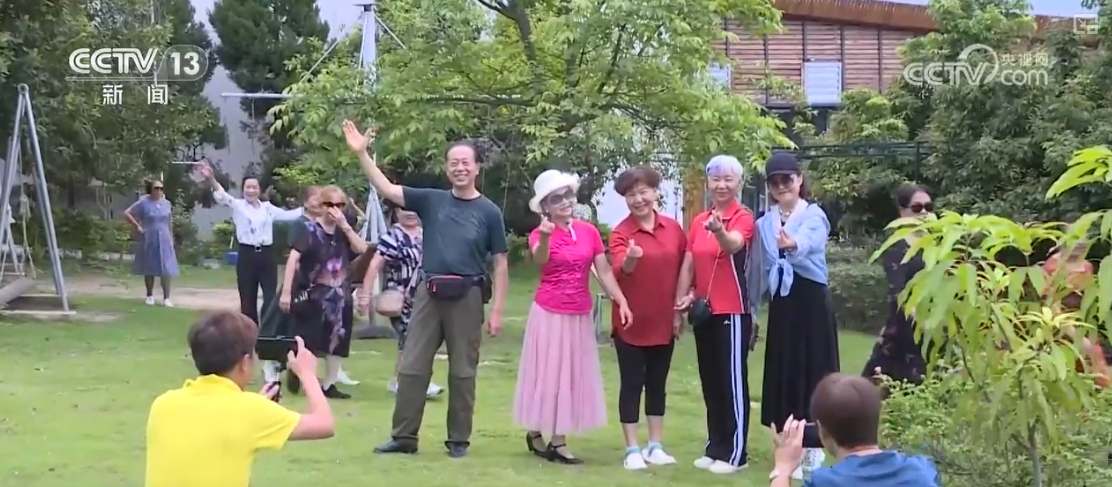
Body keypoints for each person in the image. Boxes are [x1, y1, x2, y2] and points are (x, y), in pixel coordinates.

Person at [341, 120, 509, 458]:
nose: (460, 168)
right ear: (446, 169)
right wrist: (361, 154)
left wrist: (497, 311)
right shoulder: (432, 200)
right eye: (453, 163)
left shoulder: (489, 212)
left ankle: (458, 440)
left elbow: (500, 263)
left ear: (477, 168)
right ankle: (404, 437)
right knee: (413, 366)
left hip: (468, 294)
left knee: (462, 371)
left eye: (466, 162)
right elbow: (388, 190)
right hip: (428, 292)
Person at [514, 169, 633, 464]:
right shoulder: (539, 234)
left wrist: (620, 300)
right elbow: (541, 260)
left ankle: (553, 437)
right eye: (557, 199)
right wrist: (544, 237)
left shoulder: (588, 232)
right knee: (549, 374)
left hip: (579, 312)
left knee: (570, 376)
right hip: (549, 312)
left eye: (568, 195)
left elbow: (603, 271)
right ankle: (548, 437)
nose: (565, 202)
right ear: (545, 206)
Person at [144, 311, 335, 487]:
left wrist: (255, 407)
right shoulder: (251, 410)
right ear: (244, 363)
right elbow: (324, 423)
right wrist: (307, 373)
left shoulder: (163, 404)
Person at [749, 152, 840, 479]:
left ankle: (814, 443)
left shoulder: (814, 215)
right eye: (774, 181)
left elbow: (810, 242)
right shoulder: (764, 223)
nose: (781, 186)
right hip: (782, 303)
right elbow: (758, 267)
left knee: (815, 368)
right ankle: (787, 444)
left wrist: (793, 245)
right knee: (785, 369)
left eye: (787, 179)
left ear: (799, 180)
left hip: (811, 301)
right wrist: (751, 307)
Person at [677, 155, 756, 475]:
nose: (721, 185)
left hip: (732, 312)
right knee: (711, 382)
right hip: (704, 312)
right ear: (708, 183)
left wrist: (720, 231)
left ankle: (736, 454)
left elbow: (734, 244)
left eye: (728, 179)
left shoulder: (743, 217)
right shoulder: (699, 220)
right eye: (716, 179)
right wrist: (684, 296)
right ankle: (716, 446)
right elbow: (690, 263)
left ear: (739, 183)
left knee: (731, 383)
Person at [607, 166, 687, 470]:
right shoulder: (621, 233)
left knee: (657, 384)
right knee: (632, 383)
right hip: (631, 322)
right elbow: (620, 271)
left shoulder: (673, 228)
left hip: (664, 320)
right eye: (631, 194)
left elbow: (685, 269)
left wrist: (679, 311)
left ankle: (655, 445)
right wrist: (631, 258)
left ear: (655, 193)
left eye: (643, 192)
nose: (638, 199)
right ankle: (632, 448)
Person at [768, 373, 940, 487]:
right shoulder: (921, 472)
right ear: (877, 421)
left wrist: (783, 469)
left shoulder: (825, 482)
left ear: (822, 431)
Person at [279, 185, 368, 399]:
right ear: (321, 205)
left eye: (340, 205)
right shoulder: (308, 229)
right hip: (313, 294)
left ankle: (329, 384)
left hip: (340, 294)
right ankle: (300, 373)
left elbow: (362, 249)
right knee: (310, 340)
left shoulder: (343, 231)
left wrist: (345, 226)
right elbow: (293, 260)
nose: (334, 209)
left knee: (338, 338)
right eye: (329, 204)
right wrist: (286, 292)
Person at [357, 199, 445, 397]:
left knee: (416, 339)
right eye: (405, 209)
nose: (410, 213)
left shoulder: (427, 234)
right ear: (397, 211)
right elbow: (374, 265)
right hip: (400, 296)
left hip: (425, 295)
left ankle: (402, 379)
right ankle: (412, 381)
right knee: (411, 338)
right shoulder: (392, 237)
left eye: (414, 209)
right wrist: (365, 295)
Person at [199, 161, 304, 325]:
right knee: (247, 297)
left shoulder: (267, 208)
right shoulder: (238, 206)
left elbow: (289, 215)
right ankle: (250, 330)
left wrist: (312, 207)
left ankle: (267, 331)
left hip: (266, 255)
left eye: (254, 187)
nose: (251, 191)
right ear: (243, 189)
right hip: (247, 254)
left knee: (270, 296)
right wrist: (211, 178)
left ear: (259, 190)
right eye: (248, 187)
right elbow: (222, 195)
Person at [861, 185, 932, 383]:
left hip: (933, 323)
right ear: (903, 211)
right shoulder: (897, 245)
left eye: (928, 207)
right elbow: (898, 289)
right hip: (905, 324)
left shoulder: (935, 242)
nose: (924, 212)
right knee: (891, 381)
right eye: (917, 208)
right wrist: (919, 319)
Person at [124, 179, 179, 307]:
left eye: (161, 188)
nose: (159, 191)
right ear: (151, 189)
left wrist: (171, 237)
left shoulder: (166, 203)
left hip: (164, 236)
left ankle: (166, 298)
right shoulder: (144, 202)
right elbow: (127, 213)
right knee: (149, 265)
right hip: (149, 236)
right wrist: (137, 226)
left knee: (166, 267)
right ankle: (149, 295)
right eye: (156, 188)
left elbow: (169, 221)